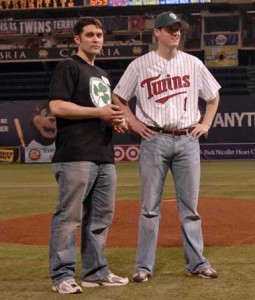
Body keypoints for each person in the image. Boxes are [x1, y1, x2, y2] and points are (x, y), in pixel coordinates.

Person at [113, 11, 220, 282]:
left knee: (190, 209)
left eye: (177, 29)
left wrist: (206, 124)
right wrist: (134, 123)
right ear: (156, 33)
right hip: (154, 139)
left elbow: (213, 95)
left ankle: (196, 263)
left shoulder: (193, 64)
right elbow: (118, 97)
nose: (175, 33)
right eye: (168, 29)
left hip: (187, 139)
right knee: (149, 207)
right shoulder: (140, 65)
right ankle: (143, 267)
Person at [48, 16, 129, 294]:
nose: (96, 39)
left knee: (100, 219)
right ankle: (62, 276)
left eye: (100, 35)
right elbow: (57, 106)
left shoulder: (103, 75)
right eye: (91, 34)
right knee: (69, 218)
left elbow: (102, 111)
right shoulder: (68, 66)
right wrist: (99, 113)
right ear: (77, 39)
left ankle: (95, 272)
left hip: (104, 155)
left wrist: (114, 120)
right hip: (75, 154)